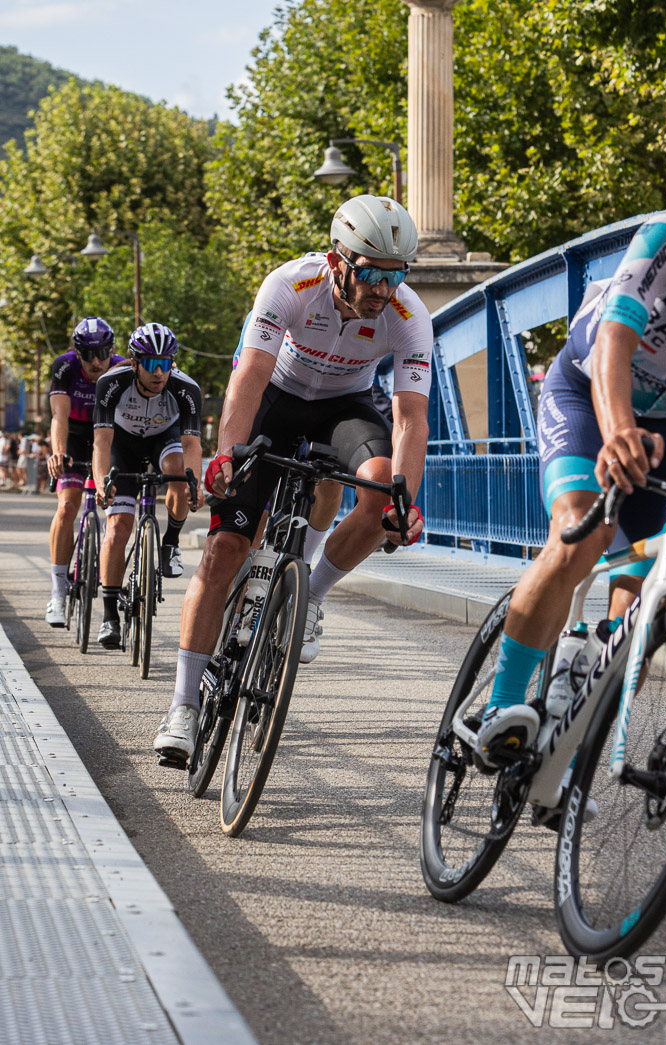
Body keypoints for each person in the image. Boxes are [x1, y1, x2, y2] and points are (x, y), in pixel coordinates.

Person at [153, 194, 433, 762]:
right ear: (338, 261)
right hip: (275, 399)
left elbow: (410, 417)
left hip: (345, 407)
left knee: (382, 491)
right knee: (225, 548)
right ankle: (182, 705)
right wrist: (228, 455)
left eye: (396, 274)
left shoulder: (408, 317)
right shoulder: (289, 284)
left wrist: (405, 500)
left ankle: (311, 596)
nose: (384, 289)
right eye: (373, 273)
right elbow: (250, 375)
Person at [474, 207, 666, 782]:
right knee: (582, 532)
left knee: (647, 607)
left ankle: (565, 758)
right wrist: (618, 428)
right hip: (585, 389)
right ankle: (500, 706)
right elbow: (614, 342)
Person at [93, 322, 204, 649]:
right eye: (152, 364)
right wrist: (102, 483)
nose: (160, 373)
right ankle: (110, 615)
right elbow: (101, 442)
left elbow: (193, 446)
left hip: (163, 441)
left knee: (179, 472)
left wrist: (193, 484)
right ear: (134, 362)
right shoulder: (111, 382)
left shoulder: (186, 388)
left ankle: (170, 542)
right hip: (121, 446)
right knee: (117, 529)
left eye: (167, 364)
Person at [45, 317, 124, 627]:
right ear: (76, 353)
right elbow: (58, 416)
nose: (96, 361)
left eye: (102, 353)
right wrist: (58, 452)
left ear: (112, 350)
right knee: (67, 505)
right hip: (75, 434)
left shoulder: (121, 368)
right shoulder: (64, 366)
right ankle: (57, 593)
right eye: (88, 354)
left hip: (111, 435)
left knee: (116, 511)